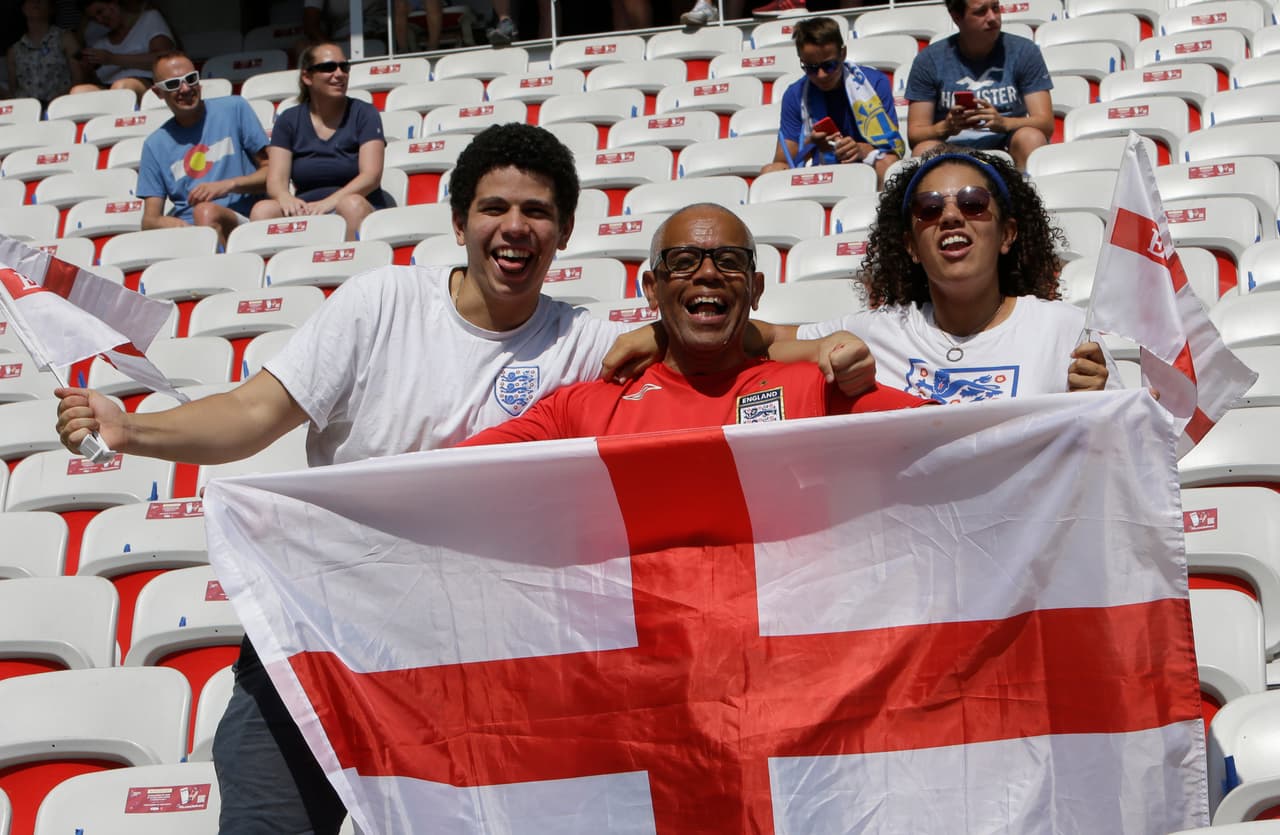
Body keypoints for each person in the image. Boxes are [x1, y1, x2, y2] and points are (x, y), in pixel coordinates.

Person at [54, 122, 863, 833]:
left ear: (564, 232)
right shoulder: (381, 303)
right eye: (494, 208)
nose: (514, 227)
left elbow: (729, 333)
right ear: (458, 222)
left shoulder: (584, 345)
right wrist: (132, 430)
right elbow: (251, 413)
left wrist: (824, 350)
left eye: (536, 212)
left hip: (468, 659)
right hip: (323, 629)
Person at [463, 202, 925, 444]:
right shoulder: (579, 411)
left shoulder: (817, 390)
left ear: (756, 288)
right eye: (683, 261)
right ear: (651, 289)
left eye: (729, 260)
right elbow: (448, 478)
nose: (707, 274)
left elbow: (952, 439)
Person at [780, 147, 1115, 404]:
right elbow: (760, 340)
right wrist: (823, 346)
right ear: (911, 247)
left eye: (973, 203)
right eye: (929, 208)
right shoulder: (876, 333)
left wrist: (1098, 407)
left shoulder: (1066, 331)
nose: (951, 216)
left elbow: (1131, 446)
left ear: (1007, 235)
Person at [250, 42, 391, 241]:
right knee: (263, 210)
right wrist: (285, 198)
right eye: (328, 67)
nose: (339, 74)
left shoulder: (364, 113)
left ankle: (353, 259)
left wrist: (328, 203)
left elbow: (371, 176)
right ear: (307, 77)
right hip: (306, 208)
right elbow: (276, 182)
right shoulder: (288, 120)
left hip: (355, 204)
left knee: (350, 205)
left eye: (344, 67)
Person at [135, 52, 269, 248]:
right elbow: (150, 220)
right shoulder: (154, 145)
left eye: (191, 79)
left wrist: (228, 185)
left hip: (242, 224)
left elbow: (272, 173)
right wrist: (185, 229)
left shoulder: (235, 108)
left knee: (205, 211)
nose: (185, 88)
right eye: (173, 84)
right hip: (191, 234)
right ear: (158, 93)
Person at [904, 0, 1053, 171]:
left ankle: (1026, 187)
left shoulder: (1024, 51)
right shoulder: (929, 60)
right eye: (981, 12)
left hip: (1008, 142)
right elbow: (915, 134)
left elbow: (1045, 124)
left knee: (1031, 138)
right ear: (957, 17)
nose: (992, 18)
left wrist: (1004, 123)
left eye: (995, 8)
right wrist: (946, 127)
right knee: (923, 150)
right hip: (949, 149)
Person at [761, 17, 904, 187]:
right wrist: (811, 143)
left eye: (829, 66)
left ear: (843, 54)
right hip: (819, 169)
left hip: (865, 165)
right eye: (811, 68)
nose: (821, 75)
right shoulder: (795, 95)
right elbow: (783, 160)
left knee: (889, 163)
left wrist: (860, 149)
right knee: (770, 172)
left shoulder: (874, 83)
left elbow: (891, 147)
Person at [70, 0, 173, 100]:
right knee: (78, 92)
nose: (100, 20)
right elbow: (98, 80)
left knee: (122, 88)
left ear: (114, 2)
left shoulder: (148, 19)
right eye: (94, 18)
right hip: (109, 87)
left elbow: (164, 60)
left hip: (144, 82)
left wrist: (112, 59)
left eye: (100, 12)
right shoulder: (100, 44)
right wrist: (88, 71)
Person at [6, 0, 82, 106]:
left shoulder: (66, 38)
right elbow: (13, 90)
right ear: (23, 8)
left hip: (61, 106)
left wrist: (59, 100)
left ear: (51, 8)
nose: (35, 2)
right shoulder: (14, 50)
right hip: (27, 109)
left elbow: (79, 79)